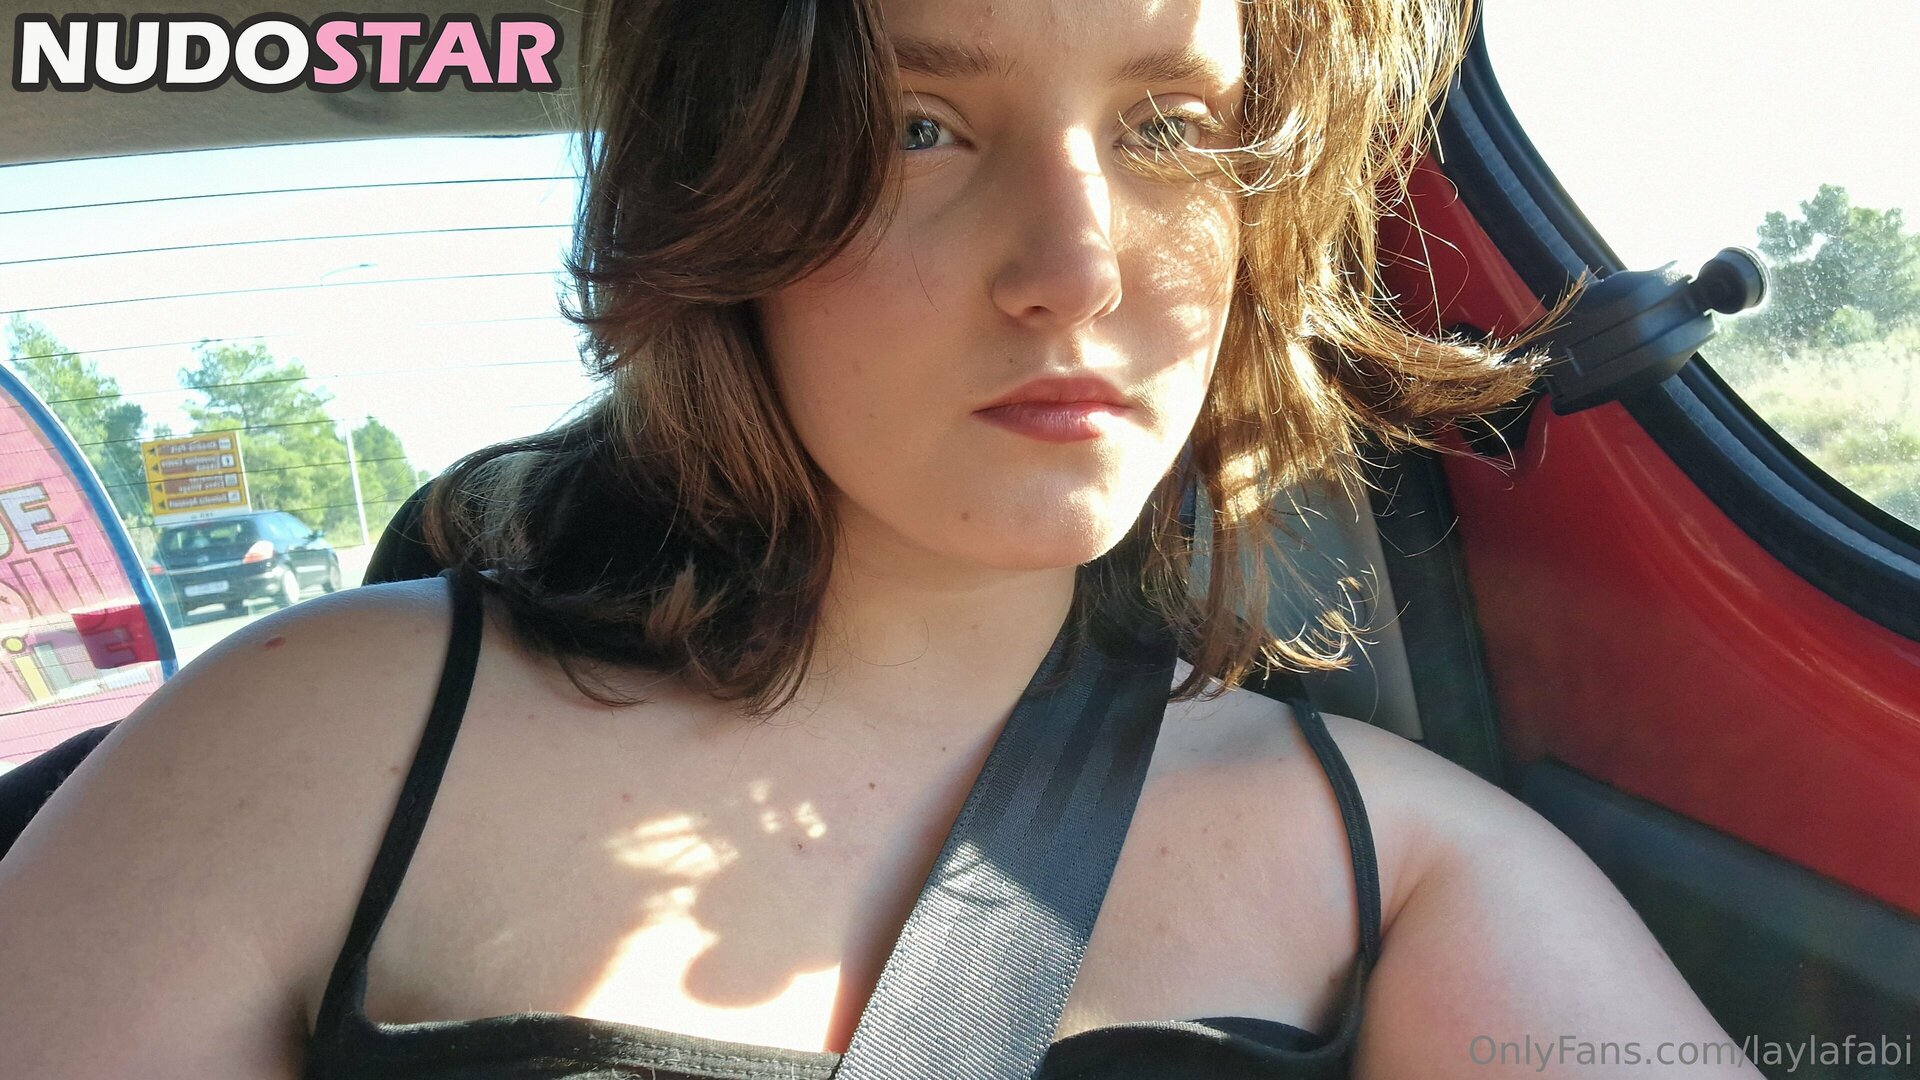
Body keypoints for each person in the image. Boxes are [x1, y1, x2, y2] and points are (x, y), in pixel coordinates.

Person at [0, 0, 1765, 1076]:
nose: (1074, 268)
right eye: (919, 127)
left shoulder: (1418, 867)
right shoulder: (301, 745)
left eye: (1167, 129)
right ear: (727, 202)